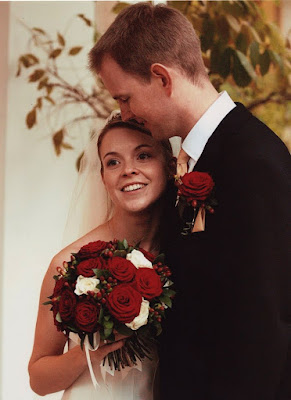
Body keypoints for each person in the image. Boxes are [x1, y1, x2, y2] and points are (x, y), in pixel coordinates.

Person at [88, 3, 291, 399]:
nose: (123, 113)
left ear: (162, 78)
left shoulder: (252, 161)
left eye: (126, 98)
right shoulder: (196, 158)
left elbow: (264, 328)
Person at [28, 113, 175, 400]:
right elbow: (38, 379)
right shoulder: (69, 263)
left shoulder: (185, 253)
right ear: (103, 178)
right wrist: (90, 354)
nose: (128, 170)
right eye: (113, 162)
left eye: (143, 156)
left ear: (168, 166)